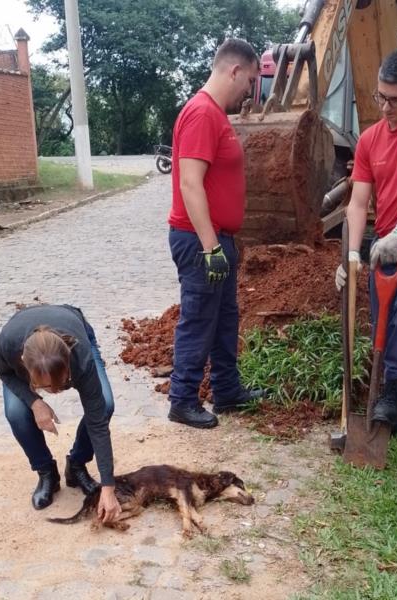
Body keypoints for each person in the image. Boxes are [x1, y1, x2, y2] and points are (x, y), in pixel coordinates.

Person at [167, 39, 265, 429]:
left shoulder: (216, 114)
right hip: (198, 241)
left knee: (225, 317)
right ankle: (182, 399)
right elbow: (190, 184)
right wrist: (210, 246)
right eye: (251, 81)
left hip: (216, 238)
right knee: (199, 318)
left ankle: (227, 390)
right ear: (235, 71)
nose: (250, 90)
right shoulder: (201, 114)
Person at [335, 49, 397, 434]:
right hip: (381, 243)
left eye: (395, 100)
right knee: (383, 325)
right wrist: (353, 254)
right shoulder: (370, 139)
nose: (385, 107)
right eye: (380, 97)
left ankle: (391, 390)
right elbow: (357, 203)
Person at [0, 303, 121, 521]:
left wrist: (108, 487)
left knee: (105, 405)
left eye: (60, 384)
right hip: (22, 340)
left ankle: (77, 466)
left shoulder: (80, 358)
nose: (54, 392)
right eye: (45, 386)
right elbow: (3, 372)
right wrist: (34, 402)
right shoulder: (9, 344)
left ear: (69, 366)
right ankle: (46, 473)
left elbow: (97, 423)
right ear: (24, 364)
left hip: (75, 328)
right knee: (16, 413)